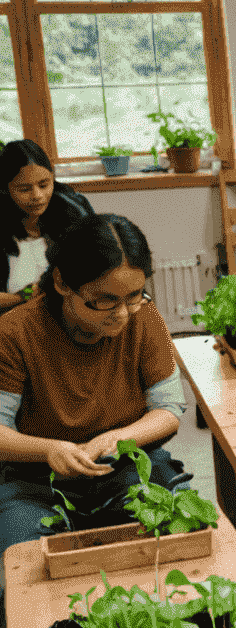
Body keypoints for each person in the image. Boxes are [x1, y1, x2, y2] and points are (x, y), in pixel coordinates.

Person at [0, 215, 189, 566]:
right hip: (36, 481)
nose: (121, 315)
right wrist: (50, 451)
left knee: (177, 545)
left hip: (128, 465)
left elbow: (169, 409)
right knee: (23, 570)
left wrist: (120, 438)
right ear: (62, 282)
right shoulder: (14, 332)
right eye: (104, 300)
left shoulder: (145, 318)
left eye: (133, 296)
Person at [0, 139, 93, 312]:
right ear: (6, 189)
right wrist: (22, 296)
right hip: (13, 324)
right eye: (24, 189)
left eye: (44, 184)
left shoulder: (74, 212)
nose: (37, 195)